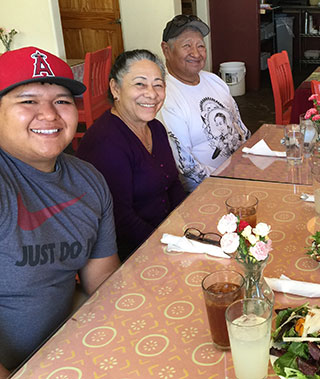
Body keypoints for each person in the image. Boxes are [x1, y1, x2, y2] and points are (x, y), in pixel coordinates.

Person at [0, 46, 120, 375]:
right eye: (28, 100)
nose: (50, 114)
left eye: (62, 101)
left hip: (66, 346)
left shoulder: (88, 180)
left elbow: (103, 279)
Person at [77, 50, 186, 261]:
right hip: (131, 252)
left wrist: (185, 224)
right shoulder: (106, 142)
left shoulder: (155, 129)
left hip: (167, 237)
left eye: (158, 84)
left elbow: (172, 184)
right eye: (140, 84)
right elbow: (121, 219)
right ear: (115, 89)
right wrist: (166, 245)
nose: (152, 94)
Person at [158, 15, 250, 192]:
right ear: (166, 50)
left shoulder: (214, 80)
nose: (196, 53)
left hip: (241, 175)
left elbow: (240, 128)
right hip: (207, 191)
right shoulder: (166, 96)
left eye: (200, 45)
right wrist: (228, 182)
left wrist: (251, 164)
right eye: (187, 46)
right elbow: (187, 168)